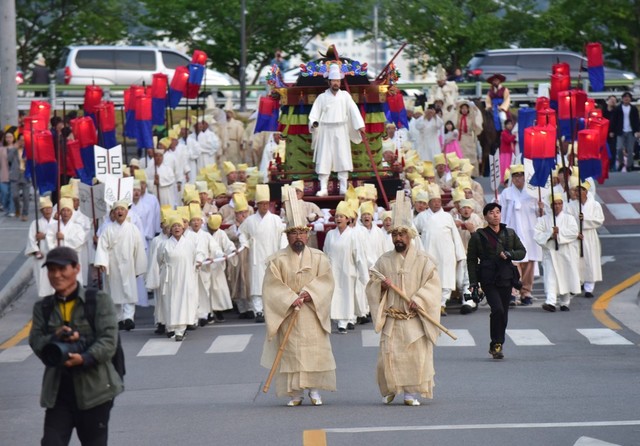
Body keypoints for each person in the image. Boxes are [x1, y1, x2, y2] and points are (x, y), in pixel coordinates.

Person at [29, 246, 123, 445]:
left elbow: (108, 342)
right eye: (51, 270)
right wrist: (54, 337)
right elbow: (36, 342)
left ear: (77, 269)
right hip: (58, 392)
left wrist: (84, 357)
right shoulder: (43, 307)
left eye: (62, 269)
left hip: (95, 392)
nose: (56, 275)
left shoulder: (98, 301)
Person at [260, 192, 336, 406]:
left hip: (311, 311)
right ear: (287, 236)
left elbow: (327, 281)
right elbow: (271, 286)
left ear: (307, 234)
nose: (298, 238)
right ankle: (295, 393)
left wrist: (310, 293)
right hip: (289, 311)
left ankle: (314, 390)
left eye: (302, 233)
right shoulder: (277, 260)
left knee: (314, 351)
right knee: (291, 352)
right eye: (294, 234)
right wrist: (289, 298)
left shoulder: (319, 257)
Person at [366, 193, 442, 406]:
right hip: (392, 317)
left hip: (413, 317)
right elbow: (372, 283)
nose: (398, 238)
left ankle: (410, 393)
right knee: (389, 357)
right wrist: (380, 285)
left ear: (410, 235)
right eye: (395, 235)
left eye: (402, 234)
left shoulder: (424, 260)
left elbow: (433, 285)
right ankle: (392, 388)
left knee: (414, 357)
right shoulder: (384, 260)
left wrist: (420, 298)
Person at [467, 203, 526, 359]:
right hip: (488, 278)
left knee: (503, 313)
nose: (495, 215)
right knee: (497, 309)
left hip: (506, 277)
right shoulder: (478, 236)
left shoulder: (509, 233)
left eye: (498, 212)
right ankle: (496, 342)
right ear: (485, 216)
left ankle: (497, 345)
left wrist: (509, 253)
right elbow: (471, 260)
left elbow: (522, 252)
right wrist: (473, 282)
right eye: (491, 213)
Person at [308, 63, 366, 196]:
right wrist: (314, 123)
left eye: (338, 81)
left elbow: (353, 110)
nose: (336, 83)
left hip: (341, 129)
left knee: (342, 157)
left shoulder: (345, 96)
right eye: (333, 81)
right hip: (325, 130)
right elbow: (314, 114)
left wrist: (359, 125)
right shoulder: (322, 97)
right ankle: (323, 188)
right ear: (329, 82)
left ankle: (343, 187)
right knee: (324, 158)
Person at [93, 201, 147, 330]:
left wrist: (139, 266)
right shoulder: (108, 229)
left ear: (127, 212)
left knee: (129, 291)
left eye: (122, 209)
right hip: (113, 264)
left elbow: (138, 248)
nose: (120, 212)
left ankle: (128, 317)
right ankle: (118, 318)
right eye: (117, 210)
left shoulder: (133, 229)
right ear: (113, 213)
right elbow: (102, 247)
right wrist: (102, 262)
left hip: (128, 264)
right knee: (114, 292)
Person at [414, 185, 466, 316]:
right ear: (429, 203)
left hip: (446, 253)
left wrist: (459, 253)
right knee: (430, 279)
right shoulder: (421, 216)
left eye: (439, 201)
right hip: (428, 252)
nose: (437, 203)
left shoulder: (447, 217)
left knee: (446, 279)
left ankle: (442, 304)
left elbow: (455, 235)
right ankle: (431, 304)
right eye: (434, 201)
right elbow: (413, 231)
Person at [239, 184, 286, 323]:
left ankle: (270, 310)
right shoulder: (250, 221)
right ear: (257, 205)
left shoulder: (276, 220)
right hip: (256, 255)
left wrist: (281, 249)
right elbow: (242, 233)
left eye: (266, 203)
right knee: (256, 283)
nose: (264, 206)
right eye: (261, 204)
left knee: (272, 283)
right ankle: (258, 310)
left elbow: (282, 235)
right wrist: (245, 243)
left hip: (272, 253)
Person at [498, 164, 542, 306]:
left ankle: (526, 292)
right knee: (512, 263)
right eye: (515, 176)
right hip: (512, 231)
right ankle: (513, 292)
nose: (518, 179)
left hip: (529, 231)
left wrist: (541, 208)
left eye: (520, 175)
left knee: (528, 264)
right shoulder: (506, 194)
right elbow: (501, 213)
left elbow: (540, 213)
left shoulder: (533, 192)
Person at [323, 201, 368, 333]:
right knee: (336, 294)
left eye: (341, 216)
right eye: (337, 216)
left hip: (348, 270)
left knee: (347, 295)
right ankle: (340, 320)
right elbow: (325, 253)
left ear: (348, 219)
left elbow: (359, 255)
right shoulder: (330, 234)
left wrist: (363, 275)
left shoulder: (353, 234)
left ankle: (345, 320)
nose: (338, 219)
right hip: (333, 270)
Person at [535, 195, 581, 312]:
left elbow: (574, 232)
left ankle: (565, 302)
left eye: (559, 203)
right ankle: (550, 302)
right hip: (550, 253)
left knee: (565, 276)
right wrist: (550, 234)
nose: (557, 206)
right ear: (551, 206)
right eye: (555, 204)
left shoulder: (569, 218)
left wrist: (559, 234)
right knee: (550, 277)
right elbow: (537, 235)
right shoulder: (543, 220)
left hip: (565, 252)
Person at [566, 182, 604, 298]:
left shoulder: (595, 205)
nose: (576, 193)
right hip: (576, 236)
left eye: (579, 190)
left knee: (590, 260)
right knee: (575, 261)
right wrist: (575, 232)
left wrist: (585, 219)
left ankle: (589, 287)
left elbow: (599, 220)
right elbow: (567, 221)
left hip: (589, 236)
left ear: (585, 192)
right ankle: (576, 285)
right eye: (575, 190)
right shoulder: (571, 205)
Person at [611, 92, 640, 172]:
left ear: (630, 99)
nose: (626, 99)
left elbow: (637, 120)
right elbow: (614, 120)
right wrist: (612, 130)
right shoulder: (618, 108)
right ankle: (621, 163)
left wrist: (637, 131)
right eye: (625, 97)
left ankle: (629, 165)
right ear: (622, 99)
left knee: (630, 149)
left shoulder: (633, 108)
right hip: (621, 131)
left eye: (628, 97)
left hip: (631, 131)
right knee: (619, 148)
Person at [7, 133, 29, 220]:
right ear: (18, 140)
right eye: (21, 140)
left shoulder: (29, 149)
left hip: (25, 175)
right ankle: (17, 209)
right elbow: (8, 159)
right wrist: (14, 148)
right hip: (15, 175)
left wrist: (28, 160)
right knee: (15, 196)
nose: (22, 142)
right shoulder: (13, 149)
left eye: (24, 140)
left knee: (26, 197)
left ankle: (25, 214)